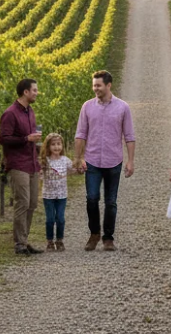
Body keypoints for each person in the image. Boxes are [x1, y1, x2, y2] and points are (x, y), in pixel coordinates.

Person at [74, 70, 136, 252]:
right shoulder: (87, 106)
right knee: (91, 199)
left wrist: (130, 161)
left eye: (98, 85)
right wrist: (78, 158)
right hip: (92, 160)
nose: (95, 89)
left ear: (109, 85)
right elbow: (80, 134)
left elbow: (129, 136)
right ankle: (94, 234)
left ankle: (108, 238)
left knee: (111, 201)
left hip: (113, 160)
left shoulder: (123, 107)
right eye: (94, 85)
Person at [0, 78, 43, 256]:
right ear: (25, 92)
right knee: (22, 202)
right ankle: (19, 244)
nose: (36, 93)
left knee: (32, 203)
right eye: (34, 90)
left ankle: (24, 240)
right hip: (18, 164)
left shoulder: (30, 111)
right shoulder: (10, 113)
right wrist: (26, 139)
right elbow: (4, 139)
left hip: (32, 163)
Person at [40, 133, 78, 252]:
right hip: (48, 195)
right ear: (48, 147)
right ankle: (50, 241)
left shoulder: (65, 160)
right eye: (53, 145)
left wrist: (80, 168)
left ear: (62, 145)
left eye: (59, 144)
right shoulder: (45, 161)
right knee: (50, 219)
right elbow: (39, 174)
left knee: (60, 218)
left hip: (62, 195)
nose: (56, 147)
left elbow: (73, 170)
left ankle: (60, 240)